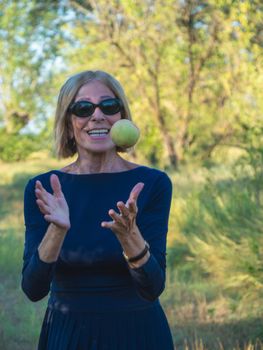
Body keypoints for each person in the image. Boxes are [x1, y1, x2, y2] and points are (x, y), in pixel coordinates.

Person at [21, 70, 174, 350]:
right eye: (83, 108)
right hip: (68, 335)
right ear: (68, 124)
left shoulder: (152, 184)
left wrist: (130, 237)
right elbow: (33, 289)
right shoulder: (43, 189)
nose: (97, 115)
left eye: (109, 105)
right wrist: (57, 230)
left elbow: (152, 288)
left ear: (121, 116)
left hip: (138, 333)